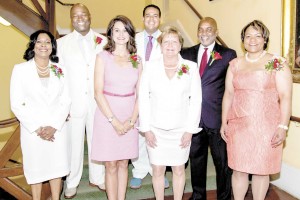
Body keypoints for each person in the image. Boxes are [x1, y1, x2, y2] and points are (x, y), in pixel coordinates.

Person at [220, 20, 292, 200]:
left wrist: (283, 127)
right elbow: (228, 94)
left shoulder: (276, 62)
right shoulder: (235, 64)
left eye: (257, 35)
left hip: (266, 127)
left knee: (262, 170)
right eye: (248, 36)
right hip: (238, 126)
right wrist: (224, 122)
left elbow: (285, 97)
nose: (252, 40)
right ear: (242, 40)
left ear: (265, 39)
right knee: (238, 169)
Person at [138, 26, 202, 200]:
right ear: (160, 45)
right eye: (166, 41)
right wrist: (146, 129)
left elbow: (196, 100)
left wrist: (190, 130)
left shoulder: (190, 67)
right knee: (157, 169)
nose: (170, 45)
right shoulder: (150, 67)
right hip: (155, 129)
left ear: (180, 46)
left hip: (181, 130)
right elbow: (143, 98)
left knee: (179, 169)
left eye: (174, 41)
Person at [10, 30, 71, 200]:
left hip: (57, 129)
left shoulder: (60, 69)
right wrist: (38, 128)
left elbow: (66, 100)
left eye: (47, 42)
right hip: (33, 131)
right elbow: (16, 103)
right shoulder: (20, 70)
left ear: (52, 46)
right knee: (35, 169)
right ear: (33, 45)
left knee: (57, 168)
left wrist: (53, 126)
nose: (43, 45)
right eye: (39, 42)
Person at [181, 17, 237, 200]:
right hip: (194, 118)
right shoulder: (186, 54)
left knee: (222, 162)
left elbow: (233, 87)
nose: (204, 33)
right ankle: (198, 196)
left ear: (216, 32)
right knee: (196, 160)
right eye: (201, 29)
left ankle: (224, 196)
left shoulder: (228, 55)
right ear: (197, 32)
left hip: (217, 117)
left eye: (209, 29)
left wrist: (230, 118)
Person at [57, 3, 107, 199]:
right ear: (71, 19)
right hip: (73, 103)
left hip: (97, 102)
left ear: (89, 16)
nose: (79, 18)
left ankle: (98, 176)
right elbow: (58, 77)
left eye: (83, 14)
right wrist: (63, 104)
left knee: (98, 141)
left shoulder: (104, 42)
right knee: (74, 144)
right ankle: (72, 181)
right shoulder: (61, 44)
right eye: (75, 15)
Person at [91, 15, 141, 200]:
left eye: (125, 30)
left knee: (123, 163)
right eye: (116, 30)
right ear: (110, 33)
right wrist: (114, 121)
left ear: (130, 34)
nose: (121, 34)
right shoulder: (102, 57)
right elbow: (97, 92)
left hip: (130, 114)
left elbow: (141, 93)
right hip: (106, 115)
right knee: (111, 164)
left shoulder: (137, 59)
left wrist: (131, 120)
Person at [131, 4, 169, 189]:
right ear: (142, 18)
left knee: (157, 134)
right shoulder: (133, 39)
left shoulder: (166, 39)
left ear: (159, 19)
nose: (151, 19)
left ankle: (157, 170)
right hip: (136, 93)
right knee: (139, 133)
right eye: (148, 15)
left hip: (158, 93)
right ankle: (138, 170)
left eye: (155, 16)